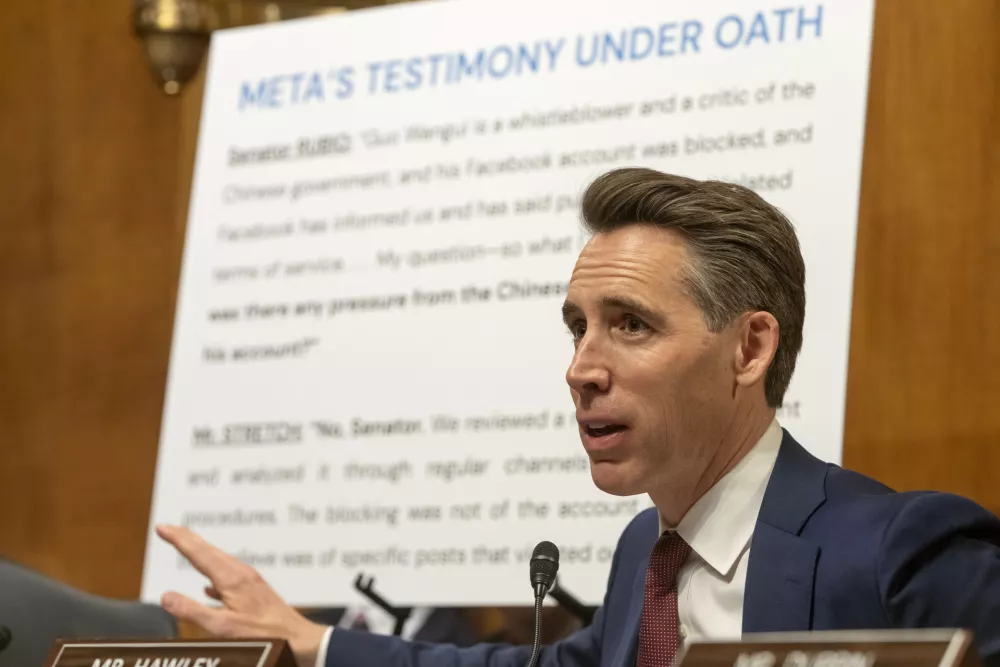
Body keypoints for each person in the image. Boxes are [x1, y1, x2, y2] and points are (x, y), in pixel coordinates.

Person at [155, 168, 1000, 667]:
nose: (581, 368)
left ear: (749, 348)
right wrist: (312, 641)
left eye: (630, 324)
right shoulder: (647, 552)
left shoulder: (899, 550)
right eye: (577, 327)